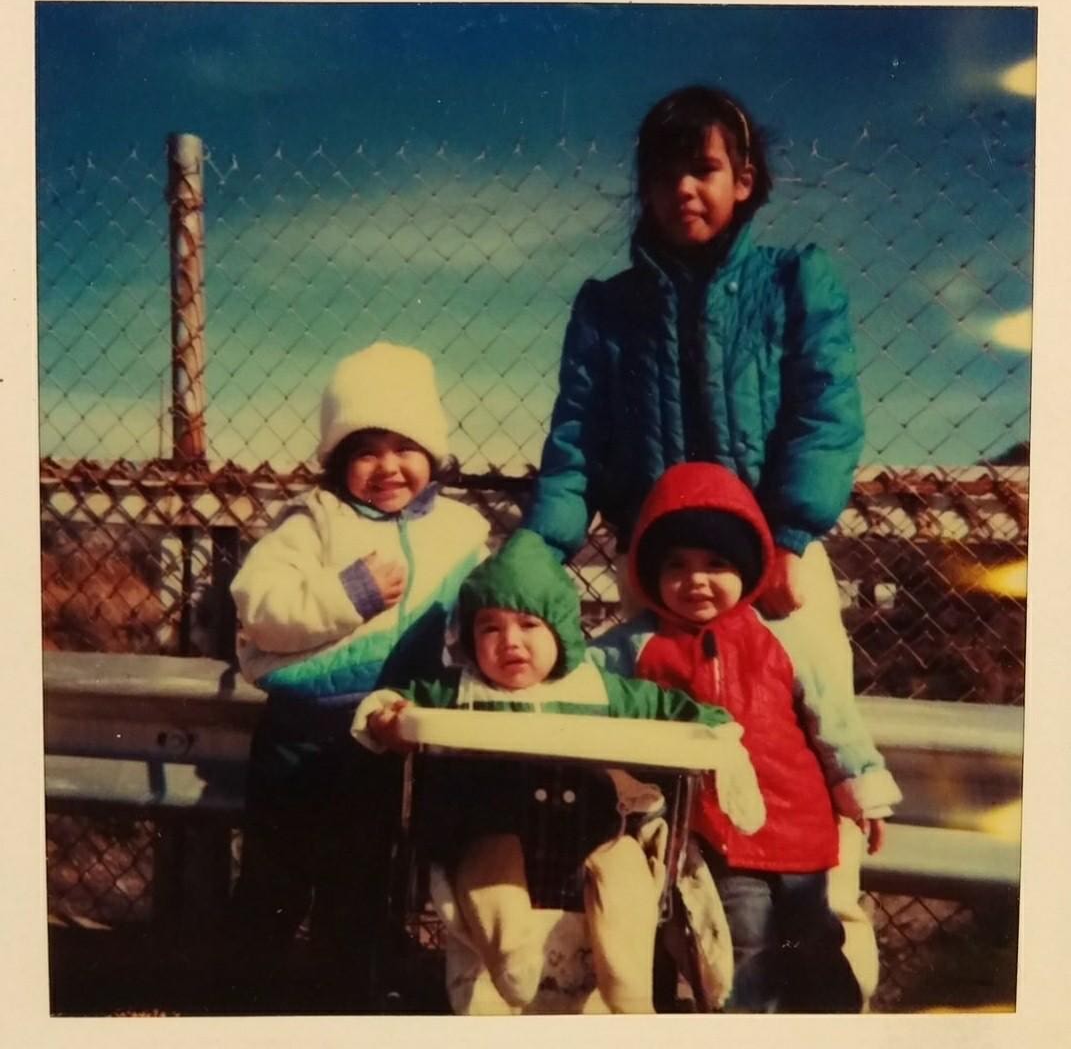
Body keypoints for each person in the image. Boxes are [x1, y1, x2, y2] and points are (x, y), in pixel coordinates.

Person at [522, 83, 884, 1000]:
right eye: (662, 170)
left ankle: (829, 955)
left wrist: (793, 534)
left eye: (704, 166)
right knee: (672, 800)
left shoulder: (796, 280)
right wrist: (537, 550)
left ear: (744, 177)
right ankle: (700, 975)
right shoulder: (607, 309)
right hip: (658, 580)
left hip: (778, 573)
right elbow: (573, 447)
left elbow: (823, 414)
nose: (682, 186)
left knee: (804, 755)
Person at [353, 529, 764, 1014]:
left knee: (626, 869)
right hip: (491, 830)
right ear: (469, 638)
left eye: (528, 625)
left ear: (562, 631)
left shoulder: (602, 691)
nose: (510, 642)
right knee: (490, 864)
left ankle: (629, 995)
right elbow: (389, 703)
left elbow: (679, 709)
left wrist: (718, 735)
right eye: (489, 628)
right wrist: (387, 719)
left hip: (590, 834)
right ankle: (512, 961)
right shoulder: (458, 691)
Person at [227, 341, 490, 1010]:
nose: (386, 466)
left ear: (432, 452)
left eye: (403, 445)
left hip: (385, 742)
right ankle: (239, 1005)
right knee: (272, 886)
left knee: (361, 895)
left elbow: (486, 618)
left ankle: (340, 1008)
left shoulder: (461, 532)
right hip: (301, 735)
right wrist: (348, 593)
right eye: (364, 449)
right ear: (338, 460)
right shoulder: (314, 522)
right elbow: (259, 608)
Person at [591, 462, 901, 1013]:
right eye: (677, 566)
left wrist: (861, 786)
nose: (697, 580)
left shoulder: (782, 637)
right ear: (650, 573)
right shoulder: (636, 646)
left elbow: (834, 719)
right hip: (719, 836)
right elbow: (577, 682)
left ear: (749, 566)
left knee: (814, 945)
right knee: (741, 949)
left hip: (800, 828)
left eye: (717, 563)